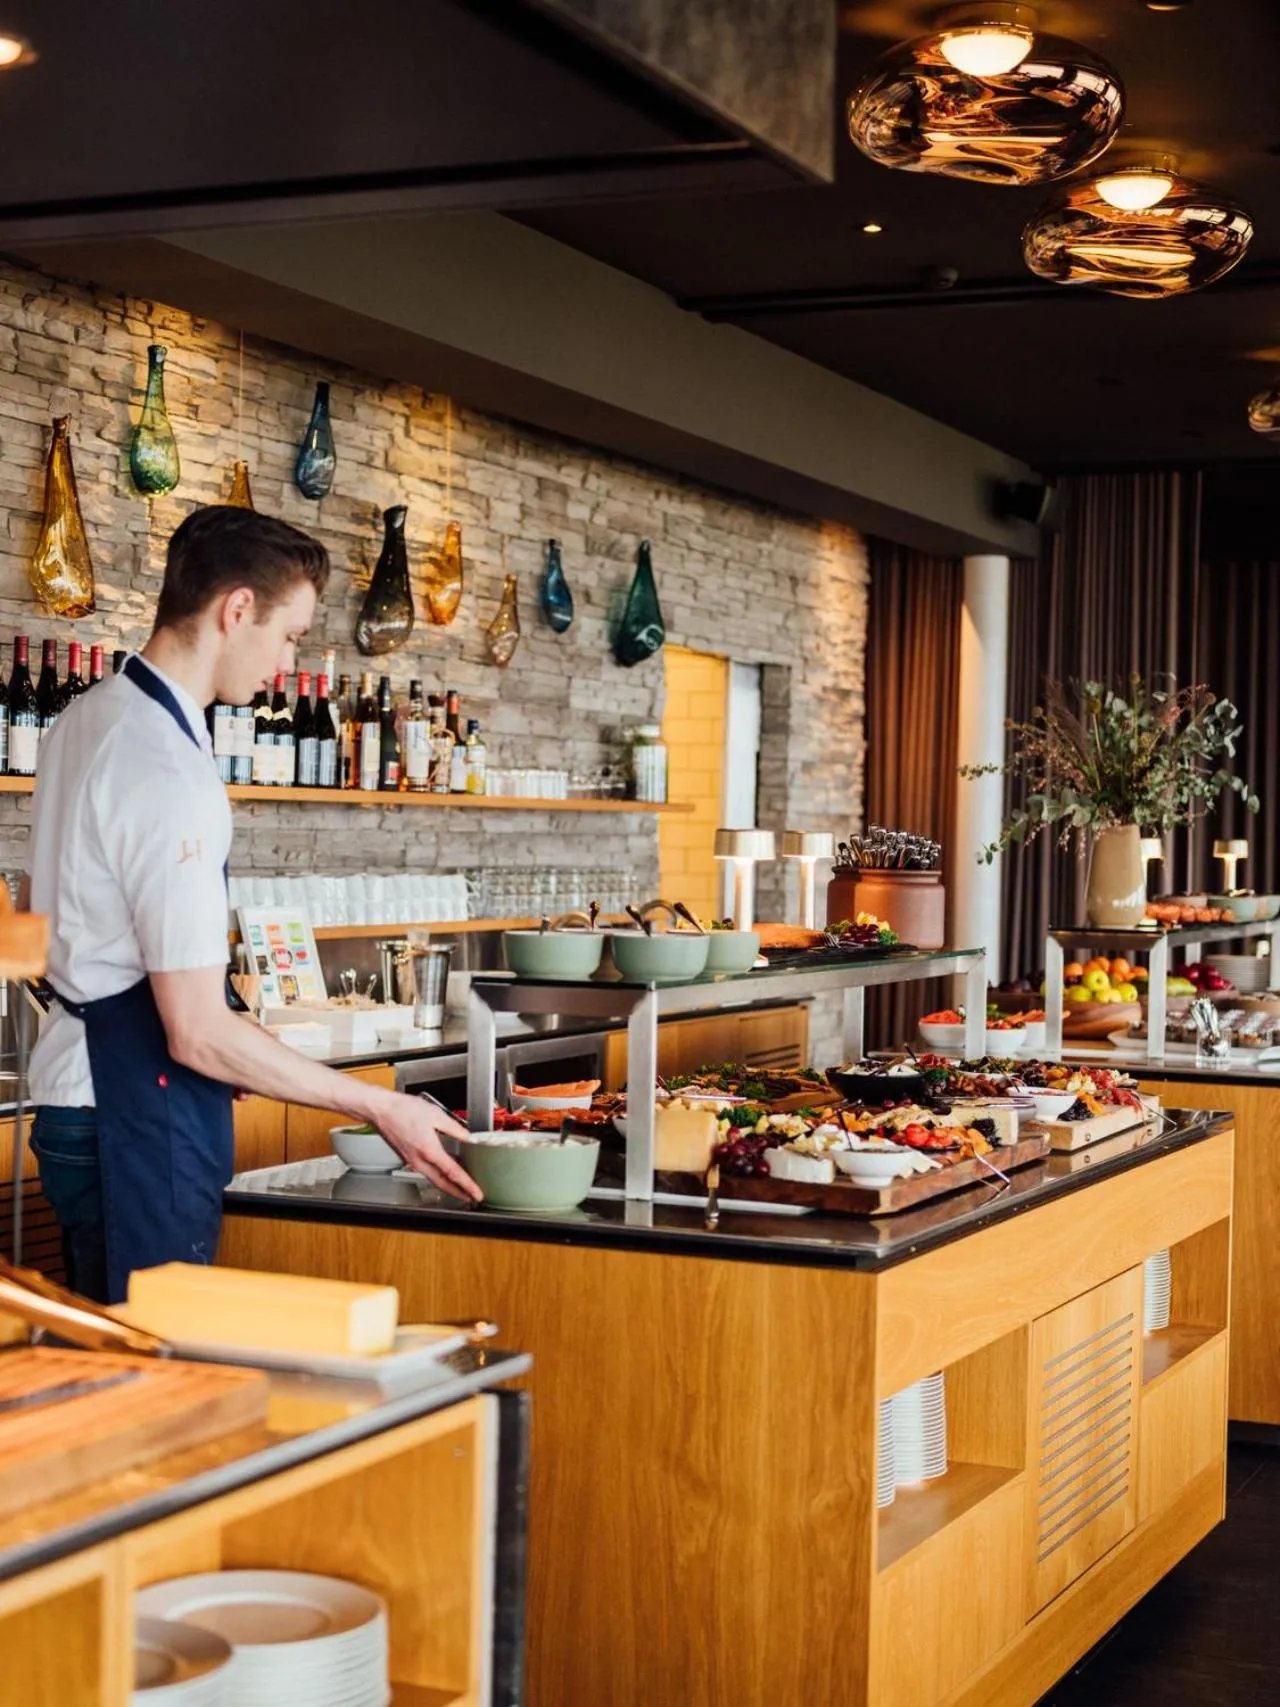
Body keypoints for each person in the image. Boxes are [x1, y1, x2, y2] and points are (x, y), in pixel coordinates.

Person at [28, 506, 479, 1304]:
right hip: (128, 1110)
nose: (287, 659)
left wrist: (234, 1042)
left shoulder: (88, 716)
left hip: (81, 1085)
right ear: (236, 610)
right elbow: (194, 1031)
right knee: (152, 1372)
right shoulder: (164, 764)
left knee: (107, 1352)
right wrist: (381, 1105)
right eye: (292, 635)